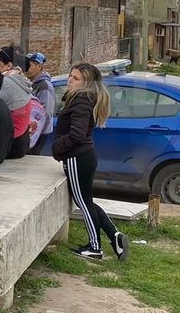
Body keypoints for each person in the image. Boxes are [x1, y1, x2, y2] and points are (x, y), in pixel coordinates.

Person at [53, 62, 129, 262]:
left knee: (83, 203)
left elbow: (76, 135)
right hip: (85, 156)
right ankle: (114, 236)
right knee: (87, 201)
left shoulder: (81, 101)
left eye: (76, 78)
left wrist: (57, 147)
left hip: (77, 157)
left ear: (86, 83)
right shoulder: (84, 99)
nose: (70, 79)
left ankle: (95, 247)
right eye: (70, 75)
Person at [0, 45, 35, 160]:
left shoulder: (5, 82)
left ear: (9, 65)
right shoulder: (20, 78)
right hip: (21, 140)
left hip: (9, 143)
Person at [25, 52, 57, 155]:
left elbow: (45, 112)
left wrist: (35, 130)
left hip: (38, 131)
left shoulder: (44, 86)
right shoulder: (32, 83)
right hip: (32, 129)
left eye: (29, 66)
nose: (27, 69)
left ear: (39, 66)